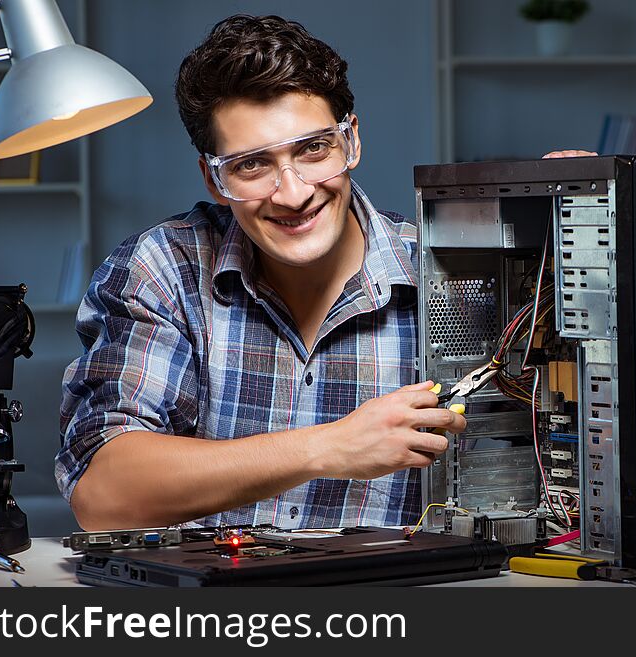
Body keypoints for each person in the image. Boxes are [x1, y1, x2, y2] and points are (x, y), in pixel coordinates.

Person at [55, 14, 592, 532]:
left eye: (313, 149)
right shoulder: (164, 269)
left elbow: (571, 447)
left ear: (350, 141)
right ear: (213, 179)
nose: (293, 193)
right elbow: (104, 494)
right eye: (251, 165)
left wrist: (578, 250)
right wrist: (330, 447)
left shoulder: (465, 273)